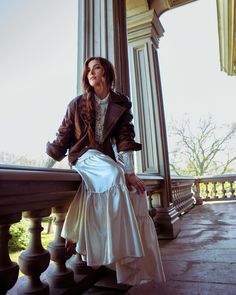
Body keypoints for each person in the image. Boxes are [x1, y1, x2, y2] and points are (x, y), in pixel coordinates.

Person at [46, 56, 165, 285]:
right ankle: (107, 248)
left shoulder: (121, 103)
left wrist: (129, 172)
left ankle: (128, 259)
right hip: (83, 156)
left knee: (136, 194)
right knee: (113, 175)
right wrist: (43, 168)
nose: (91, 73)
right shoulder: (77, 103)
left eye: (96, 68)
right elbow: (62, 138)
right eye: (88, 70)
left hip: (106, 159)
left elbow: (125, 138)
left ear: (107, 73)